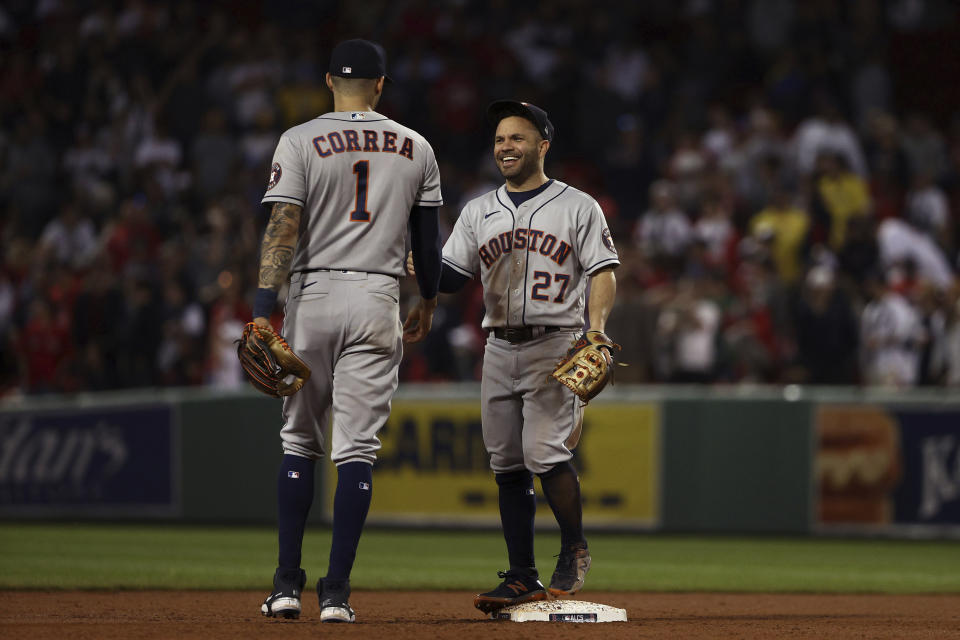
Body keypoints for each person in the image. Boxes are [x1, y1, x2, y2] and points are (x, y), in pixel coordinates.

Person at [255, 39, 443, 623]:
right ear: (382, 85)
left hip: (312, 295)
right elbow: (428, 246)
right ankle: (336, 594)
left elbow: (283, 229)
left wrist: (264, 306)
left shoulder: (300, 138)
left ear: (328, 81)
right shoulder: (416, 146)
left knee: (299, 442)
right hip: (378, 296)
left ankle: (287, 585)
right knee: (356, 449)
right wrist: (429, 300)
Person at [413, 101, 618, 612]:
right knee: (506, 464)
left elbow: (603, 270)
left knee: (544, 454)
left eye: (517, 138)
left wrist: (596, 331)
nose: (505, 146)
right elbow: (454, 277)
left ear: (542, 146)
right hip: (499, 346)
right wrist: (411, 257)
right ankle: (522, 576)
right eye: (501, 138)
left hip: (555, 341)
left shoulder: (578, 206)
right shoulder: (479, 210)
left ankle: (574, 549)